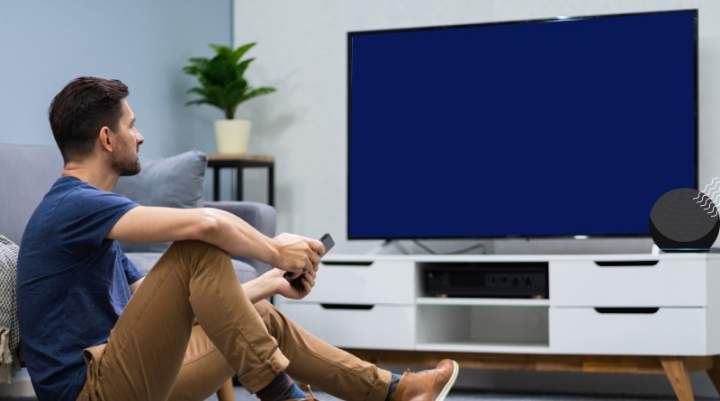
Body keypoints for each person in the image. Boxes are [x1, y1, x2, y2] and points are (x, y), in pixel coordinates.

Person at [16, 77, 459, 401]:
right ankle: (284, 397)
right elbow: (205, 225)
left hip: (121, 373)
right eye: (132, 125)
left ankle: (396, 391)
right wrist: (274, 250)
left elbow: (164, 305)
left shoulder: (90, 219)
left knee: (262, 314)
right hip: (89, 391)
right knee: (194, 248)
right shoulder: (72, 205)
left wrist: (271, 280)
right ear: (107, 138)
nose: (141, 135)